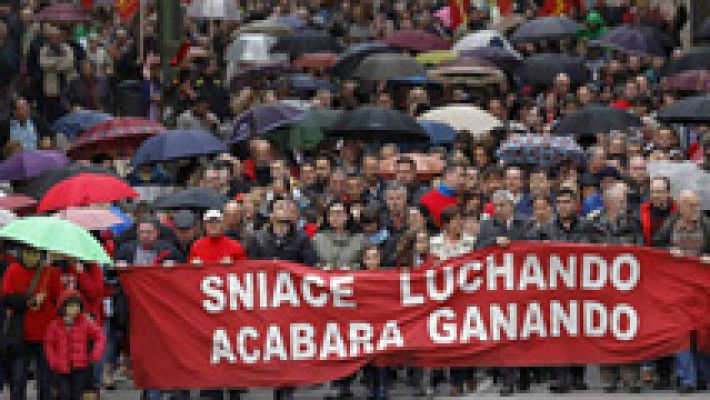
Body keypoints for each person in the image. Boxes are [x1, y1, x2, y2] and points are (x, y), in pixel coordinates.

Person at [653, 190, 710, 393]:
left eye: (697, 204)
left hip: (701, 289)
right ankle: (688, 380)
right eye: (692, 205)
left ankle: (703, 377)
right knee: (681, 333)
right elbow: (655, 245)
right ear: (681, 206)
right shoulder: (671, 224)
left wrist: (707, 255)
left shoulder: (706, 224)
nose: (696, 209)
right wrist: (669, 250)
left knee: (702, 333)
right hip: (677, 288)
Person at [2, 246, 61, 400]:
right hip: (21, 333)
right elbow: (7, 299)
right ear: (21, 253)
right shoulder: (12, 270)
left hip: (46, 332)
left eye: (35, 254)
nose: (31, 257)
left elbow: (60, 299)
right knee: (18, 379)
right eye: (28, 253)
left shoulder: (51, 273)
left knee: (45, 380)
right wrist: (30, 301)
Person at [44, 290, 106, 400]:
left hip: (80, 366)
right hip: (61, 368)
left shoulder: (85, 323)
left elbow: (100, 336)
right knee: (64, 395)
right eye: (71, 306)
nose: (75, 309)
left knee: (77, 395)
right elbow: (49, 344)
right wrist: (53, 361)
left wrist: (96, 353)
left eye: (77, 306)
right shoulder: (54, 325)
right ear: (63, 308)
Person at [247, 198, 317, 265]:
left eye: (288, 208)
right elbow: (252, 266)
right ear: (271, 215)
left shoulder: (303, 238)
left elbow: (309, 266)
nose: (285, 210)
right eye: (280, 207)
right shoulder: (257, 238)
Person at [312, 201, 366, 271]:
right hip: (324, 278)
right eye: (331, 214)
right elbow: (311, 263)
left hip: (352, 278)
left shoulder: (359, 239)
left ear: (347, 216)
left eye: (338, 213)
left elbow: (367, 264)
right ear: (327, 218)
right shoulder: (318, 238)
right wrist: (322, 267)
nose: (334, 217)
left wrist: (351, 268)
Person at [114, 218, 181, 266]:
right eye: (142, 232)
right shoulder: (126, 249)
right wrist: (119, 265)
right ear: (137, 232)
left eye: (149, 232)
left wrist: (174, 266)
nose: (145, 235)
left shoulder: (169, 251)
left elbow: (182, 270)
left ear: (157, 233)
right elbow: (111, 272)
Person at [419, 163, 465, 227]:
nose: (463, 180)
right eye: (460, 175)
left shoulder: (465, 198)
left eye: (464, 176)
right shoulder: (427, 199)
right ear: (448, 175)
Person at [639, 177, 676, 246]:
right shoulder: (642, 210)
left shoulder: (677, 211)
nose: (655, 195)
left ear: (668, 193)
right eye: (652, 192)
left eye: (659, 192)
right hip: (649, 252)